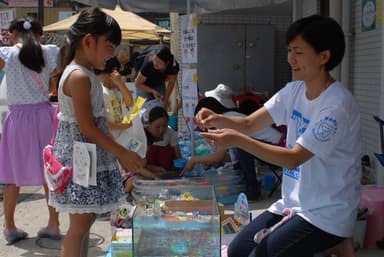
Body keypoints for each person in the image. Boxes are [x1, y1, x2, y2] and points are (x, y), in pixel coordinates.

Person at [196, 15, 360, 257]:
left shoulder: (336, 106)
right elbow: (250, 123)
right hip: (293, 205)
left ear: (323, 57)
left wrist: (236, 140)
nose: (290, 59)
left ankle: (335, 242)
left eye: (298, 52)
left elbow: (293, 158)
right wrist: (217, 117)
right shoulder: (294, 90)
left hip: (327, 213)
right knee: (237, 251)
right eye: (289, 50)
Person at [47, 8, 143, 257]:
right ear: (88, 41)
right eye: (109, 46)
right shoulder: (79, 76)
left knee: (85, 220)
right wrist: (121, 152)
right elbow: (87, 126)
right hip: (81, 158)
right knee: (79, 226)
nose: (112, 54)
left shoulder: (83, 73)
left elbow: (93, 125)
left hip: (87, 156)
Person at [0, 16, 61, 244]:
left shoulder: (7, 54)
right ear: (39, 35)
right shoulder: (49, 52)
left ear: (12, 34)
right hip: (44, 116)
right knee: (49, 172)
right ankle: (54, 224)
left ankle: (10, 226)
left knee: (11, 175)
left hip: (17, 119)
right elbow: (54, 81)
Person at [183, 97, 281, 200]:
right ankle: (247, 186)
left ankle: (252, 189)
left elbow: (219, 156)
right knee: (240, 145)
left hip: (277, 148)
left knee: (243, 146)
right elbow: (224, 154)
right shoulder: (227, 116)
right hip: (271, 145)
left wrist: (194, 160)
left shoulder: (225, 120)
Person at [145, 106, 182, 175]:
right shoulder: (142, 135)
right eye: (157, 127)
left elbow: (178, 156)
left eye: (164, 126)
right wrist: (151, 168)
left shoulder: (171, 134)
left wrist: (180, 170)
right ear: (149, 124)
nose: (161, 130)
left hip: (167, 171)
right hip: (146, 170)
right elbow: (137, 163)